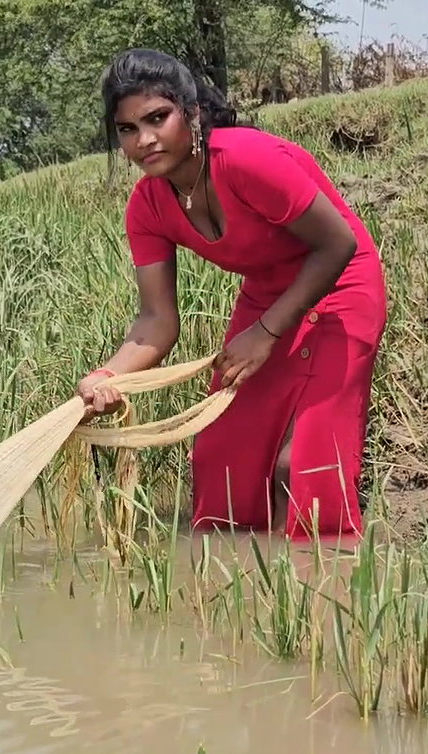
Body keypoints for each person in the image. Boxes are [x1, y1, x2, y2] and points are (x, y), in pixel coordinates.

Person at [76, 48, 388, 542]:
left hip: (340, 283)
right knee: (223, 464)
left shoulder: (245, 159)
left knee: (301, 468)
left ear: (192, 112)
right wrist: (109, 376)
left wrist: (264, 334)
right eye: (128, 129)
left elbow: (339, 244)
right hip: (266, 297)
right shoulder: (146, 208)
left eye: (158, 118)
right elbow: (157, 320)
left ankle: (310, 582)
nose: (145, 139)